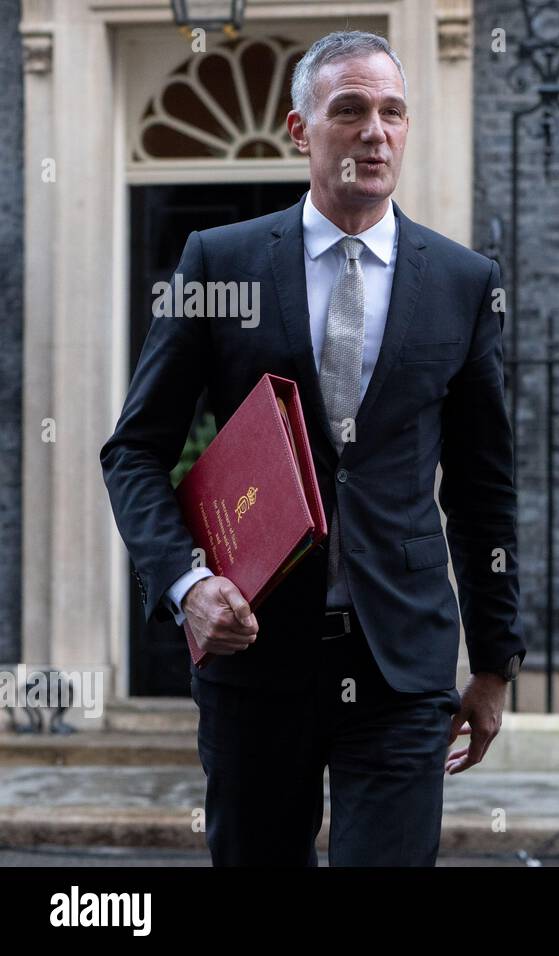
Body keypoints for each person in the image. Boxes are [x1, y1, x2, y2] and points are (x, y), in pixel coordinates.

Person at [100, 30, 525, 866]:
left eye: (393, 112)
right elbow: (135, 450)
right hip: (255, 658)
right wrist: (187, 584)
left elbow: (483, 488)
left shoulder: (464, 282)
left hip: (401, 660)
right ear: (300, 130)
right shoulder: (217, 262)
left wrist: (495, 660)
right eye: (351, 110)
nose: (376, 131)